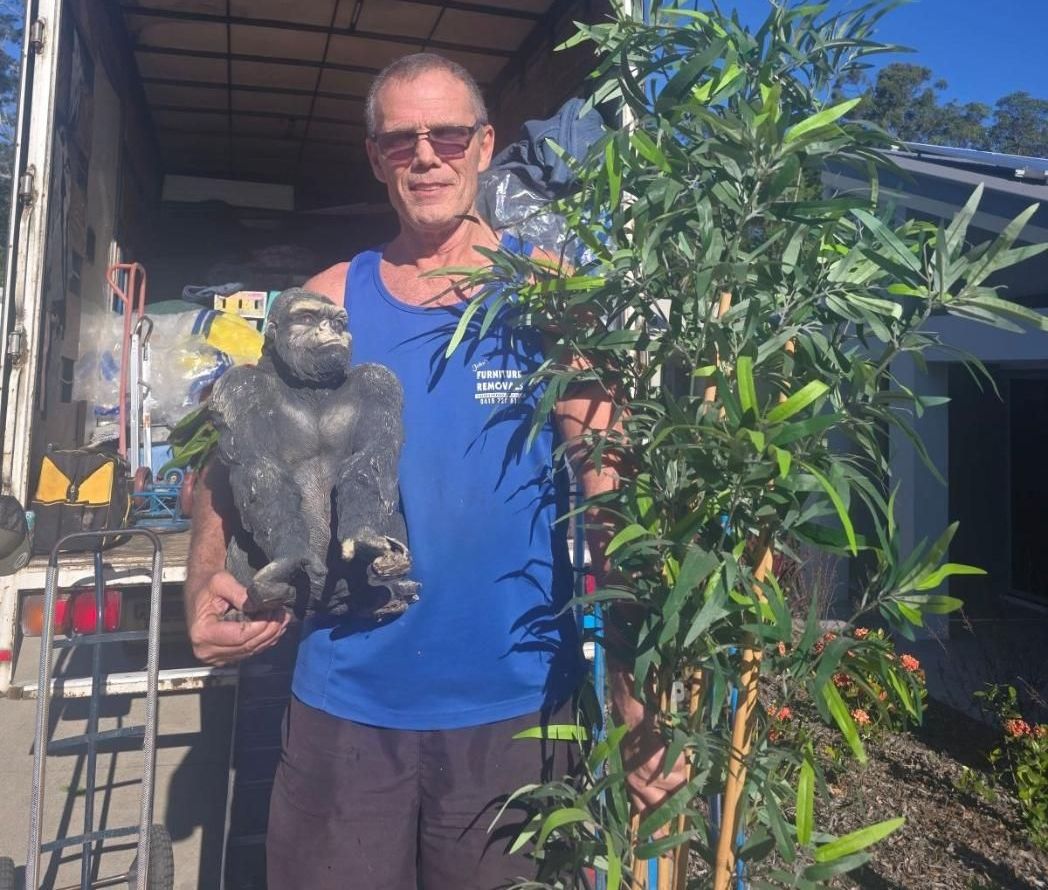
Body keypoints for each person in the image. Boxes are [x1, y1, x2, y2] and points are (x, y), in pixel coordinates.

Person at [184, 52, 684, 889]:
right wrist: (205, 576)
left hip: (518, 714)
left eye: (448, 134)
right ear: (377, 157)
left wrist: (638, 694)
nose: (427, 155)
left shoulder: (550, 296)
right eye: (402, 139)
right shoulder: (330, 301)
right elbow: (226, 467)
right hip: (347, 707)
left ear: (484, 145)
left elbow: (611, 496)